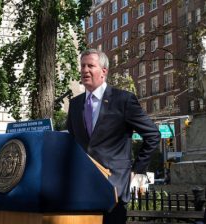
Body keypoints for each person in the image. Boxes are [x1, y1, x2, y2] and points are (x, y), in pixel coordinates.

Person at [66, 49, 160, 224]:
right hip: (82, 189)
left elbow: (153, 135)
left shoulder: (123, 100)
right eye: (82, 66)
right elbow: (72, 142)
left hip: (113, 188)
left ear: (104, 71)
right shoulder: (75, 104)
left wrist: (137, 170)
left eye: (90, 66)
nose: (85, 70)